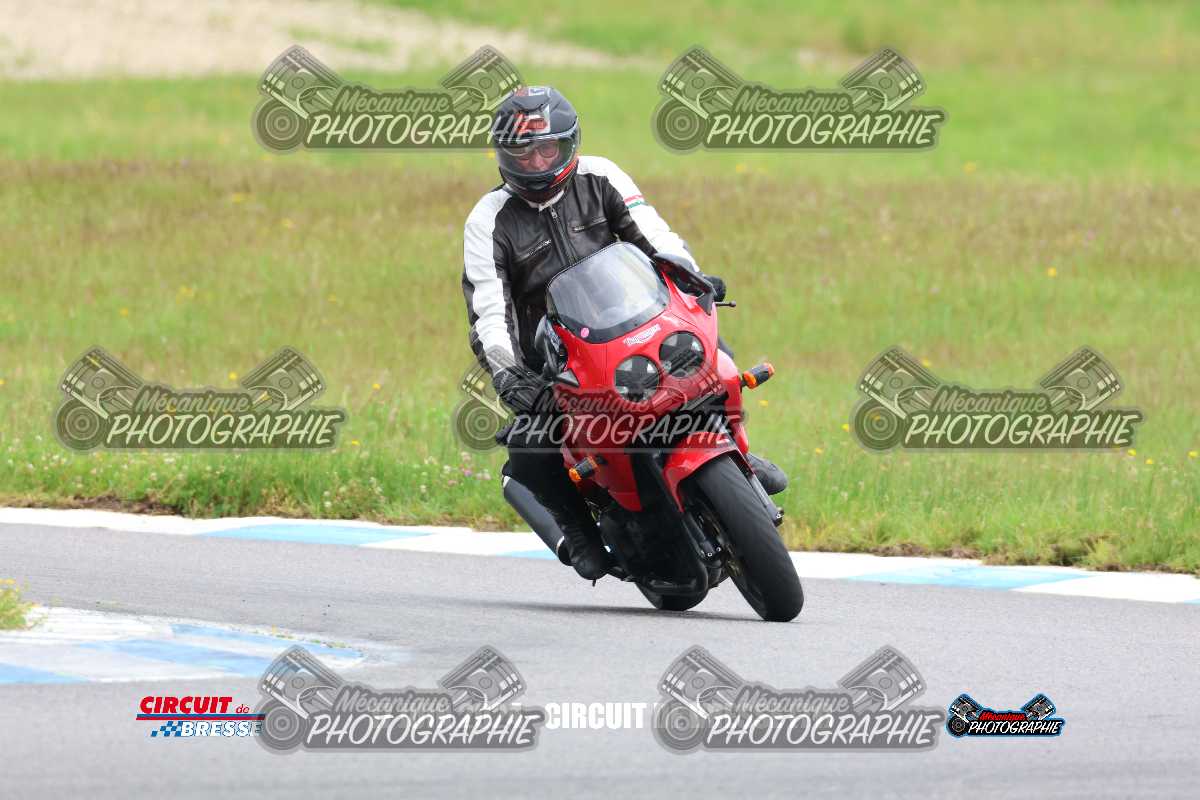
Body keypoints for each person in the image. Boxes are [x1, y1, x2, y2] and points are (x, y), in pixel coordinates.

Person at [461, 86, 786, 580]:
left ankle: (734, 450)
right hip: (556, 360)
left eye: (548, 149)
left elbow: (653, 234)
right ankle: (578, 530)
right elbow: (488, 309)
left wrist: (690, 277)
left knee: (710, 351)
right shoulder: (488, 220)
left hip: (634, 320)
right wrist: (511, 377)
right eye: (524, 153)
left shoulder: (601, 176)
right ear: (504, 156)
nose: (538, 163)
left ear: (569, 145)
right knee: (531, 443)